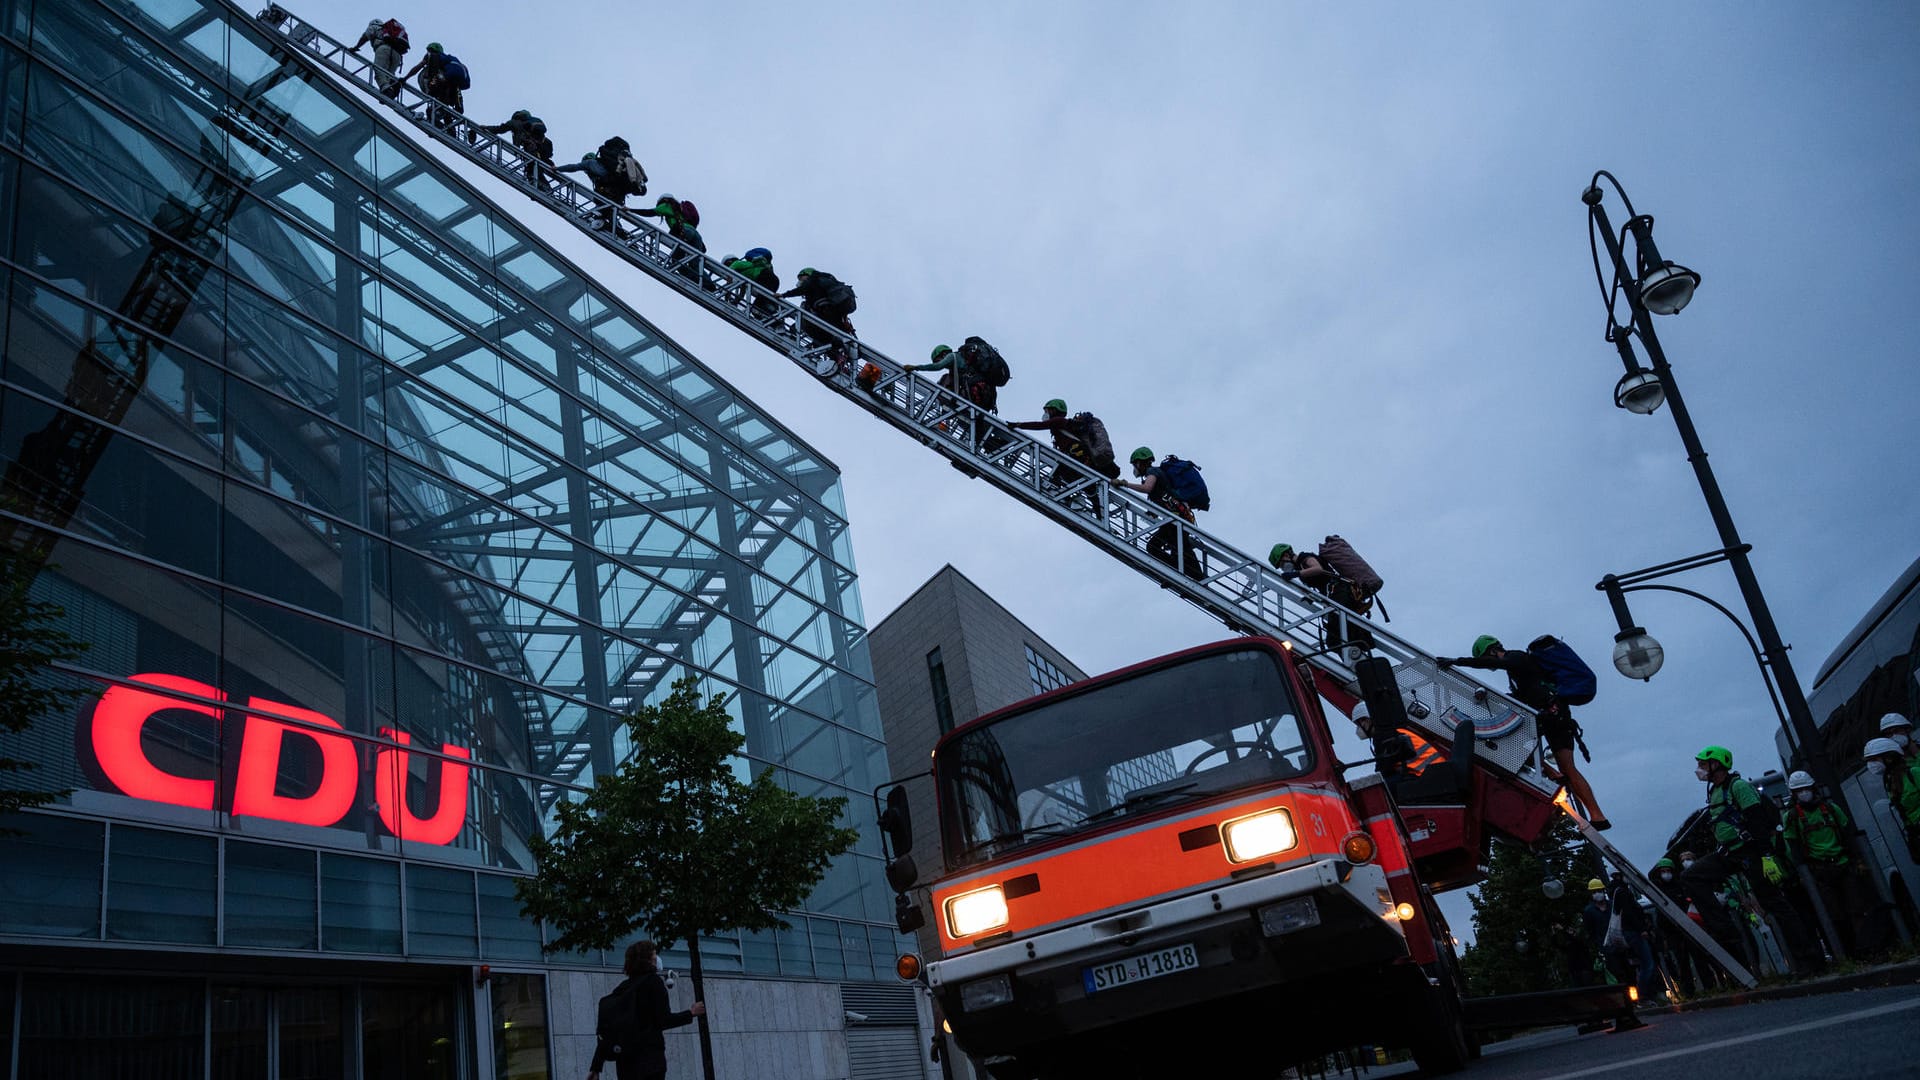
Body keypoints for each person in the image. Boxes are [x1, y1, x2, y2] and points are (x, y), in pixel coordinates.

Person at [1677, 745, 1823, 973]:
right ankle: (1726, 932)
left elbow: (1757, 821)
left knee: (1773, 903)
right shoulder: (1715, 790)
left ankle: (1811, 961)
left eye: (1703, 764)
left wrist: (1766, 856)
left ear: (1717, 764)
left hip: (1751, 852)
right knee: (1691, 876)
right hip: (1730, 853)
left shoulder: (1739, 787)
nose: (1699, 769)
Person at [1437, 636, 1608, 830]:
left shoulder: (1517, 658)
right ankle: (1594, 813)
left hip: (1554, 717)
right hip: (1554, 717)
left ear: (1492, 651)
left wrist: (1457, 661)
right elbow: (1520, 697)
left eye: (1489, 658)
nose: (1491, 665)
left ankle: (1588, 806)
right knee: (1557, 763)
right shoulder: (1518, 674)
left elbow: (1493, 665)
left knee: (1523, 749)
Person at [1780, 769, 1887, 960]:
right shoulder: (1792, 817)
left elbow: (1847, 834)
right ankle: (1849, 953)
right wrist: (1803, 873)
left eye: (1806, 788)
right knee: (1835, 915)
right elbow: (1794, 847)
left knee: (1857, 909)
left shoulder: (1830, 809)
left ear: (1812, 788)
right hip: (1819, 871)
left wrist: (1858, 860)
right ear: (1794, 794)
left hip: (1842, 864)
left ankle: (1869, 949)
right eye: (1799, 790)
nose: (1804, 793)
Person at [589, 940, 705, 1080]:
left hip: (626, 1065)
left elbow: (608, 1031)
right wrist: (690, 1013)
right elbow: (663, 1020)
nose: (657, 959)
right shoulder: (653, 982)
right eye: (655, 955)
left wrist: (596, 1067)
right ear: (649, 959)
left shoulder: (623, 988)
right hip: (650, 1064)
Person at [1269, 542, 1377, 655]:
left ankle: (1357, 653)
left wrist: (1296, 574)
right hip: (1334, 595)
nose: (1283, 568)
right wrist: (1310, 597)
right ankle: (1358, 653)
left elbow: (1318, 569)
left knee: (1334, 638)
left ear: (1286, 555)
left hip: (1340, 591)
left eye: (1281, 564)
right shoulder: (1300, 568)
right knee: (1338, 636)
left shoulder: (1305, 558)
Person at [1118, 447, 1204, 581]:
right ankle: (1180, 575)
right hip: (1174, 518)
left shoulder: (1153, 471)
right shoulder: (1157, 473)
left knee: (1179, 550)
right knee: (1160, 548)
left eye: (1135, 464)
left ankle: (1196, 578)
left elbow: (1147, 488)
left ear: (1140, 463)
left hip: (1176, 518)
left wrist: (1125, 484)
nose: (1135, 467)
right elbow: (1161, 494)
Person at [1009, 399, 1120, 486]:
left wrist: (1019, 425)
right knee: (1067, 477)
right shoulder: (1061, 428)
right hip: (1078, 457)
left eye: (1047, 410)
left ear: (1054, 410)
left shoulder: (1059, 421)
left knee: (1060, 473)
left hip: (1076, 456)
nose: (1045, 413)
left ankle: (1063, 492)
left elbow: (1039, 425)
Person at [778, 268, 857, 366]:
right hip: (832, 314)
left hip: (824, 312)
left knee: (824, 338)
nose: (800, 281)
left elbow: (801, 290)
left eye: (801, 278)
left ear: (807, 274)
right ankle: (841, 356)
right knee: (832, 337)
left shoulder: (813, 280)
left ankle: (839, 354)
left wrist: (783, 295)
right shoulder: (826, 281)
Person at [1864, 736, 1920, 860]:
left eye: (1874, 759)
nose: (1871, 765)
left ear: (1889, 758)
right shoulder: (1890, 784)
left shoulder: (1914, 773)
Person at [399, 43, 468, 134]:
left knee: (436, 101)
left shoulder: (433, 56)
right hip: (455, 86)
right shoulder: (453, 62)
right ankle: (450, 125)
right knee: (445, 104)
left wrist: (405, 78)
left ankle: (436, 115)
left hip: (442, 83)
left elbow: (418, 68)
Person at [482, 110, 554, 184]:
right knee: (540, 164)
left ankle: (537, 181)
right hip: (546, 146)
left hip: (532, 148)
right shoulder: (535, 121)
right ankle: (546, 182)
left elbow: (500, 129)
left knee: (532, 167)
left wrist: (487, 128)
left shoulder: (514, 122)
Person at [352, 17, 410, 98]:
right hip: (397, 54)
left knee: (379, 71)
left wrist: (356, 47)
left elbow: (365, 37)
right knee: (389, 75)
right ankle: (393, 86)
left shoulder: (374, 27)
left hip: (383, 49)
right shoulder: (388, 30)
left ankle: (386, 90)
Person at [726, 248, 780, 317]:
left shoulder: (737, 263)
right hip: (772, 281)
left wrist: (726, 296)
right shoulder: (744, 275)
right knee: (762, 305)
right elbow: (742, 293)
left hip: (765, 278)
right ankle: (776, 316)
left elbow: (729, 276)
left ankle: (774, 319)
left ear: (729, 262)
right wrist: (736, 302)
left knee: (755, 309)